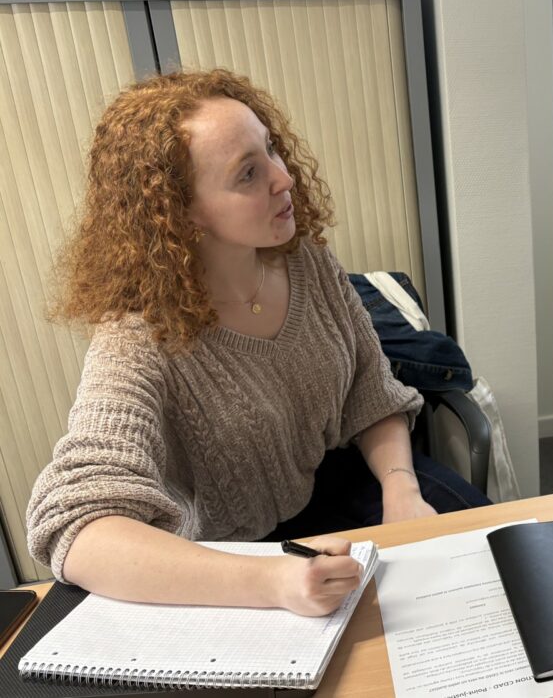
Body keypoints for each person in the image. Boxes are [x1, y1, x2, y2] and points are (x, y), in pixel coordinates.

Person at [26, 69, 488, 616]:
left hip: (336, 485)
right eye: (248, 173)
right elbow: (77, 530)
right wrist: (272, 582)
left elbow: (370, 386)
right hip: (228, 555)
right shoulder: (138, 338)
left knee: (484, 571)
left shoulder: (307, 262)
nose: (284, 178)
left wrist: (401, 488)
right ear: (181, 214)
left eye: (271, 149)